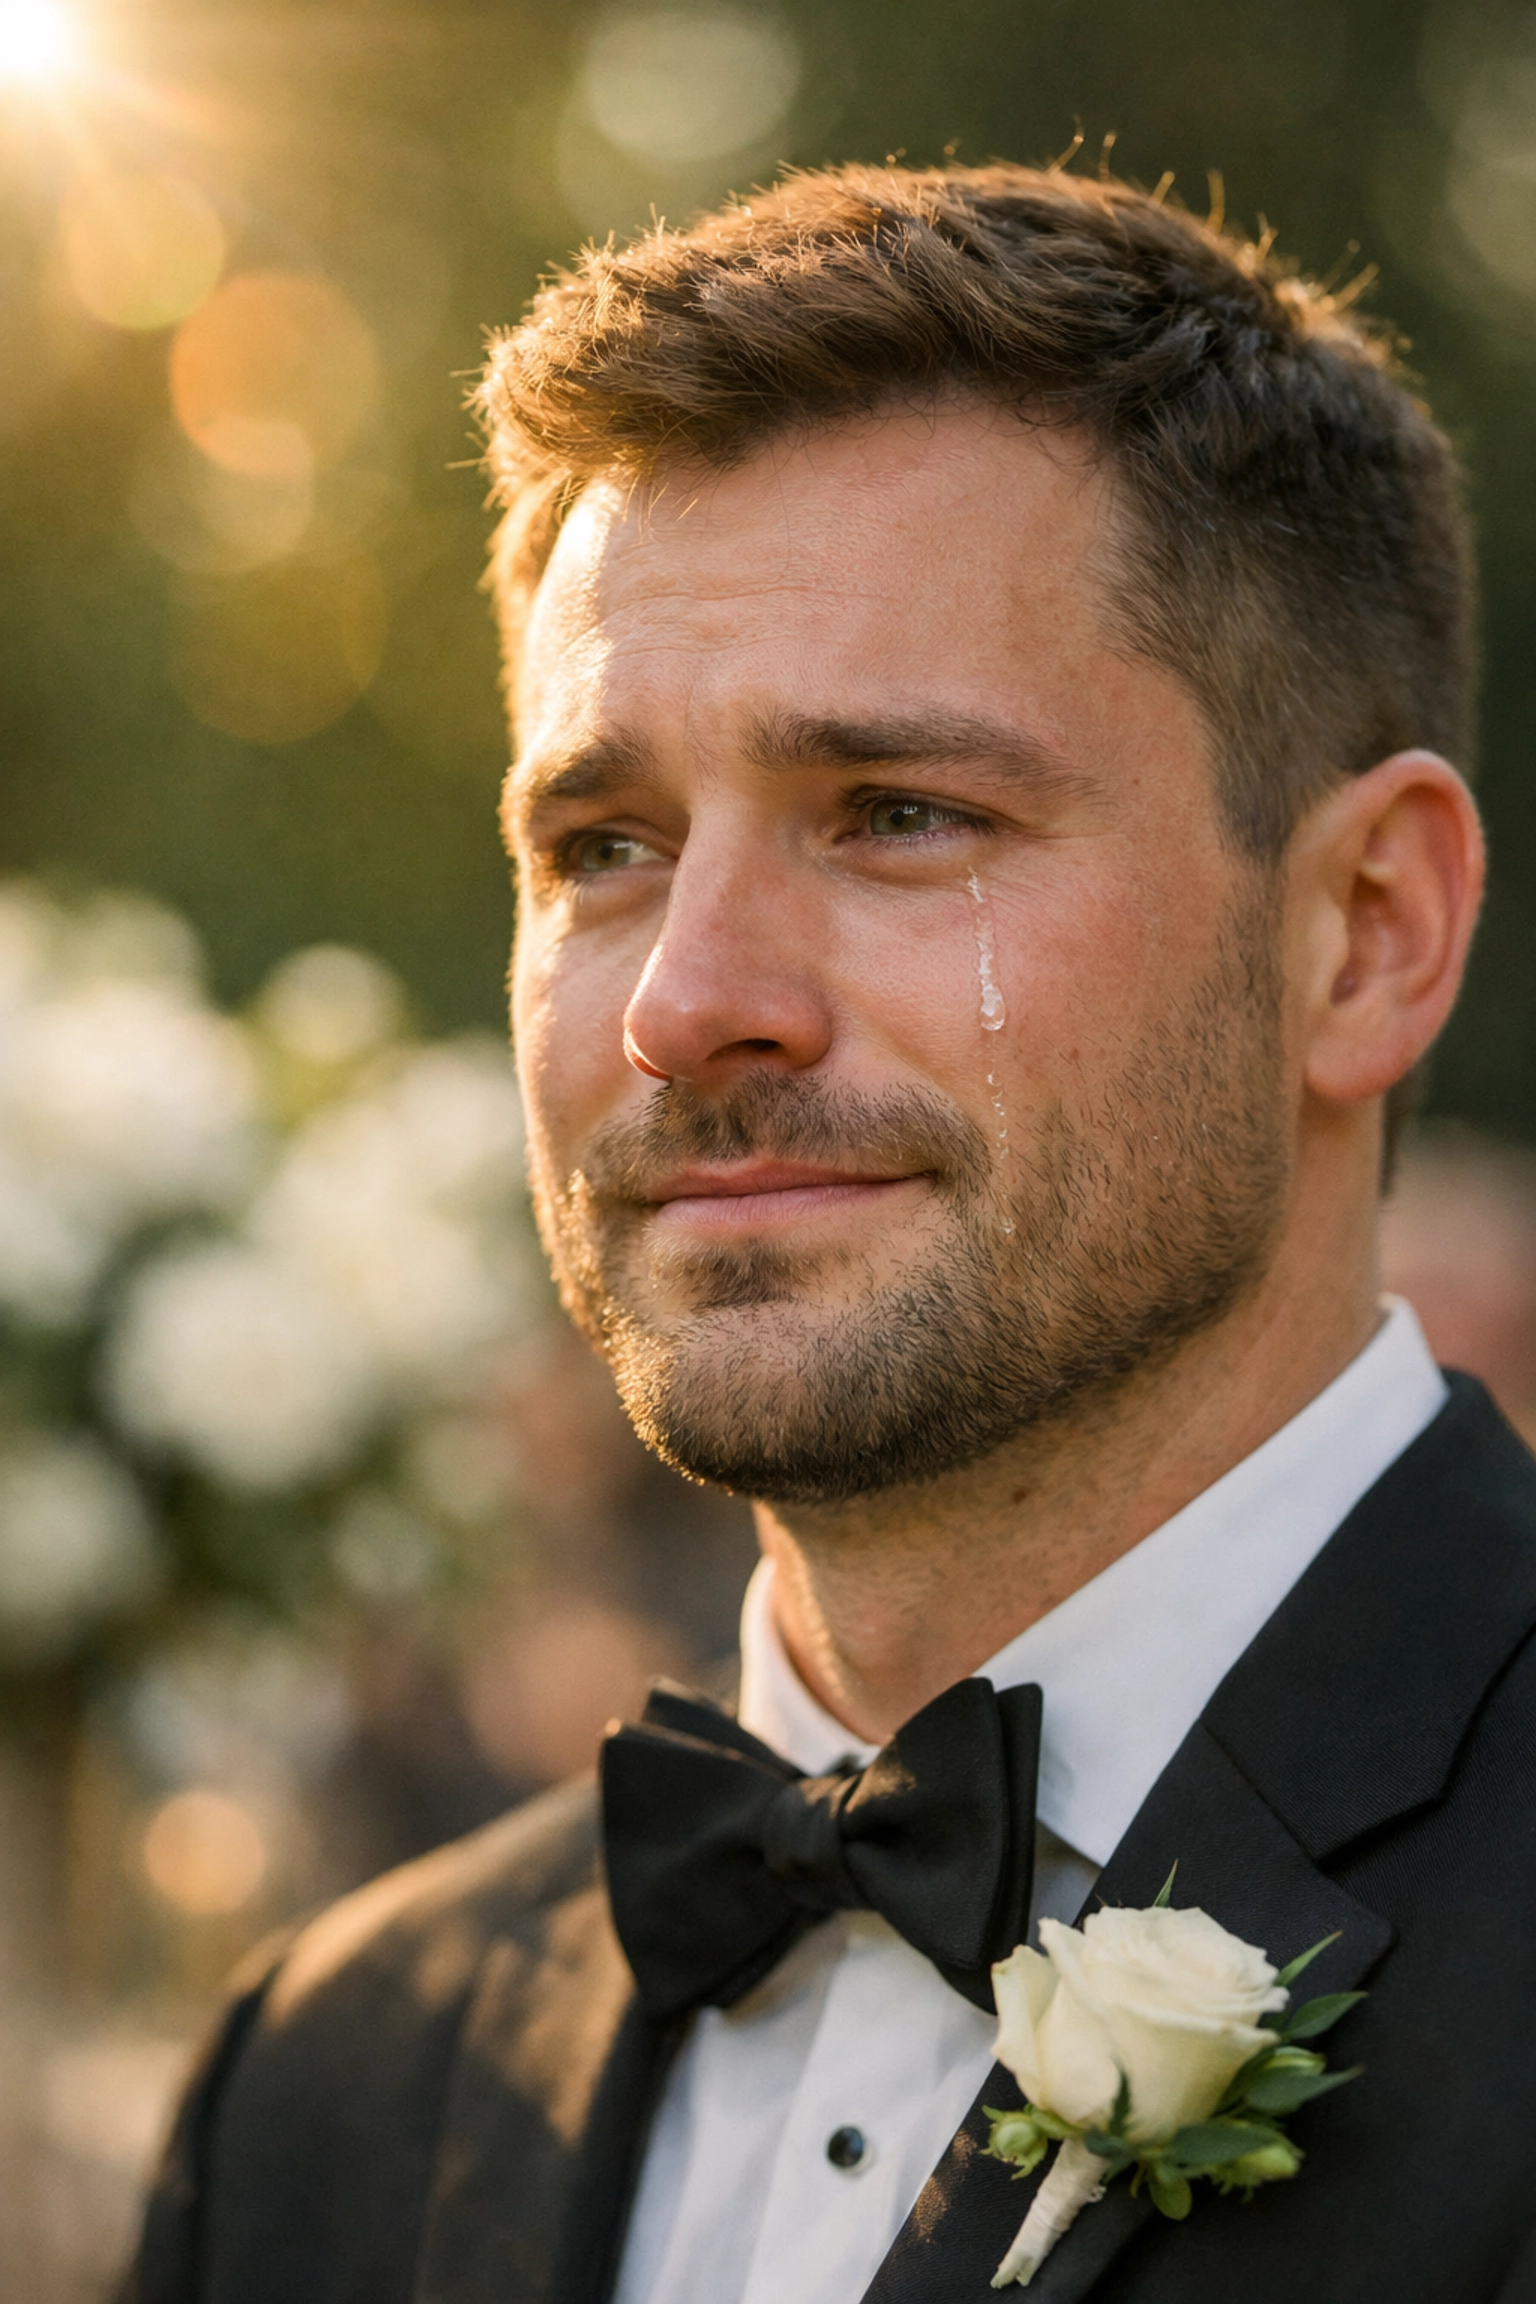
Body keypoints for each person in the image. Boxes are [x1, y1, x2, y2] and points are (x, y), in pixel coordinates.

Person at [124, 163, 1536, 2304]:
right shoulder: (327, 2080)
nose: (688, 1001)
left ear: (1364, 932)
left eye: (901, 815)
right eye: (603, 845)